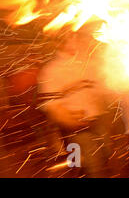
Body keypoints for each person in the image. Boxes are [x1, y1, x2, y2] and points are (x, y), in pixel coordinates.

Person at [37, 27, 115, 177]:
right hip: (75, 127)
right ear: (59, 43)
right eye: (69, 38)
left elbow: (102, 86)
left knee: (105, 155)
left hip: (99, 120)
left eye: (75, 37)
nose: (74, 41)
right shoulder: (52, 70)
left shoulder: (87, 62)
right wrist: (66, 119)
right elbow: (49, 104)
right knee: (92, 166)